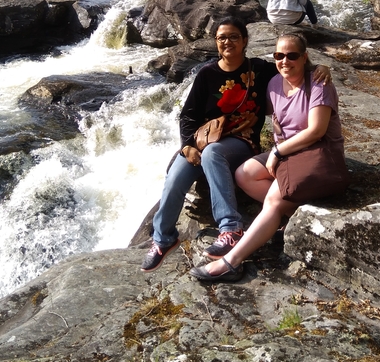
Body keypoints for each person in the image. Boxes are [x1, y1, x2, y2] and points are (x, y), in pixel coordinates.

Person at [141, 18, 331, 272]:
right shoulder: (207, 73)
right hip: (204, 140)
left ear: (244, 41)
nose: (227, 42)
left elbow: (292, 67)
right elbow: (188, 115)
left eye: (233, 37)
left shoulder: (260, 70)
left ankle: (230, 229)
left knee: (213, 153)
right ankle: (163, 239)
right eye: (221, 38)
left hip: (240, 143)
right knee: (176, 176)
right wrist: (187, 145)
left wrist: (320, 67)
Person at [190, 31, 347, 283]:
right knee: (244, 174)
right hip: (287, 152)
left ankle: (231, 262)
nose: (285, 61)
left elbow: (316, 131)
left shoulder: (318, 83)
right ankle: (288, 215)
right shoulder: (274, 83)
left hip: (319, 151)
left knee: (273, 199)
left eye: (292, 55)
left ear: (304, 57)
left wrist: (277, 151)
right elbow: (258, 107)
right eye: (279, 55)